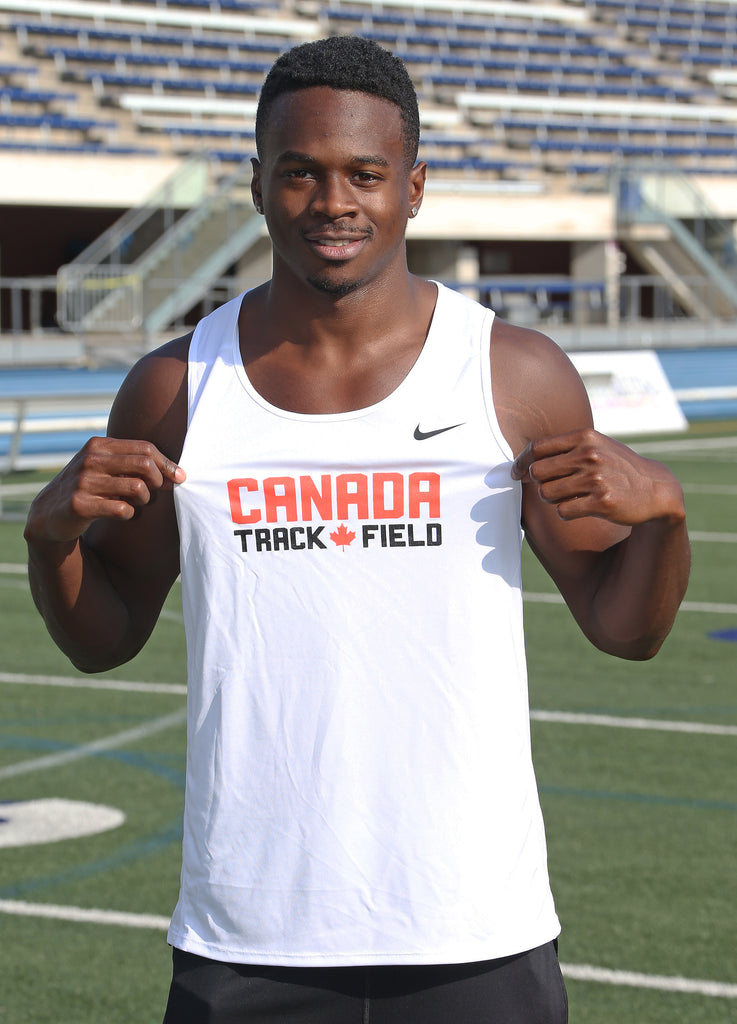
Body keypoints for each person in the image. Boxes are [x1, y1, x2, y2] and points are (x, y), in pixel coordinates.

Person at [25, 35, 690, 1024]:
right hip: (247, 936)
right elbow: (105, 637)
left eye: (363, 175)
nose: (332, 201)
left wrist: (662, 521)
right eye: (299, 172)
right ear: (256, 185)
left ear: (412, 187)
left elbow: (622, 628)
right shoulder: (173, 388)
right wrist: (50, 543)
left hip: (474, 927)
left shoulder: (511, 374)